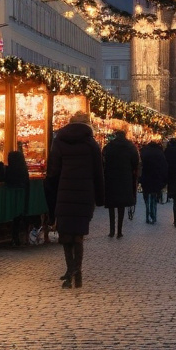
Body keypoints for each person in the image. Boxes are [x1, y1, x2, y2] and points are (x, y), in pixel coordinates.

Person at [47, 109, 104, 288]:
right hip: (84, 195)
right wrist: (100, 198)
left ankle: (70, 270)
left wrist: (52, 195)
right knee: (78, 235)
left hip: (64, 194)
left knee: (66, 235)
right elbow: (98, 174)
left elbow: (53, 173)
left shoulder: (59, 142)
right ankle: (76, 272)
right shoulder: (92, 145)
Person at [103, 120, 139, 238]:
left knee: (112, 206)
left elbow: (103, 160)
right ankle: (119, 231)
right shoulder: (130, 146)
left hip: (111, 179)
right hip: (125, 179)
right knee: (121, 206)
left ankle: (111, 230)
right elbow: (135, 163)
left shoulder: (109, 146)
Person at [139, 139, 168, 225]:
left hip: (146, 178)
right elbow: (164, 167)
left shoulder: (144, 152)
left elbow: (140, 165)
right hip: (156, 178)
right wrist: (164, 180)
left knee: (147, 197)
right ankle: (154, 216)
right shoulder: (160, 153)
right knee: (154, 198)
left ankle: (147, 216)